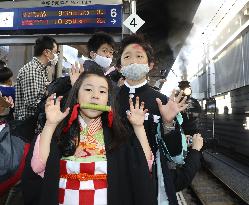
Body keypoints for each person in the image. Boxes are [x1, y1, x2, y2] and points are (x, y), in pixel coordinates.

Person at [22, 66, 156, 205]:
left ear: (108, 100)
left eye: (102, 91)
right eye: (88, 89)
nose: (95, 96)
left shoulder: (119, 134)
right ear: (77, 95)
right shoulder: (60, 131)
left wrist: (139, 127)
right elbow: (37, 167)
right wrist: (50, 125)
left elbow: (144, 167)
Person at [116, 34, 203, 204]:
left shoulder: (163, 102)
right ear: (119, 66)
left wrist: (169, 123)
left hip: (152, 179)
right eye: (127, 57)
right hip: (114, 174)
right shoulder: (109, 98)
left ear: (150, 65)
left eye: (139, 56)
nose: (133, 61)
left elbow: (176, 155)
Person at [15, 36, 59, 120]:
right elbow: (32, 102)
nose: (56, 56)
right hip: (28, 125)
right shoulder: (32, 70)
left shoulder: (42, 69)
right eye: (55, 52)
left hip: (35, 122)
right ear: (46, 52)